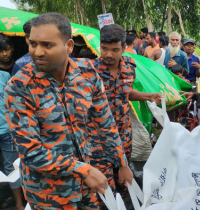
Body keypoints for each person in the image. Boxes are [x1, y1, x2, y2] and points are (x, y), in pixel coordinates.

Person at [4, 13, 133, 209]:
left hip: (87, 188)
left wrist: (122, 163)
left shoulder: (88, 74)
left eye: (47, 45)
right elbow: (30, 152)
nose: (37, 52)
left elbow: (106, 123)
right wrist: (84, 170)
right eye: (33, 44)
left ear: (69, 46)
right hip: (49, 193)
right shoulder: (19, 87)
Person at [91, 24, 162, 203]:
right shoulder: (89, 71)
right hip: (99, 138)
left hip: (124, 134)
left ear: (124, 48)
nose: (108, 54)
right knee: (103, 187)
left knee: (123, 180)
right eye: (104, 49)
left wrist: (148, 96)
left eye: (114, 50)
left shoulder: (130, 66)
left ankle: (122, 202)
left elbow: (125, 92)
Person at [0, 70, 24, 210]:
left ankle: (19, 204)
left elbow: (12, 100)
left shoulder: (4, 75)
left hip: (6, 128)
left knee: (11, 167)